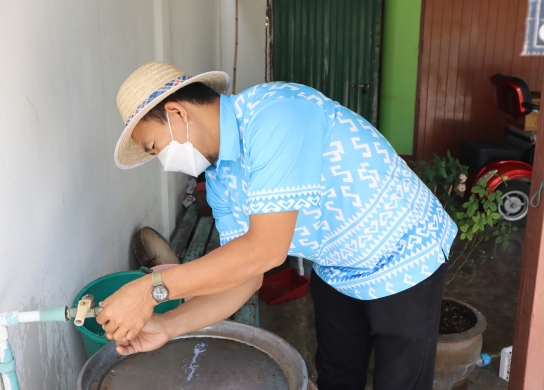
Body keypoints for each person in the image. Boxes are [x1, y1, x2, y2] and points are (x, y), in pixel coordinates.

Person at [96, 62, 458, 390]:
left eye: (154, 146)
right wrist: (167, 325)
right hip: (338, 265)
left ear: (177, 113)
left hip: (403, 253)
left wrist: (151, 290)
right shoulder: (220, 177)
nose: (163, 161)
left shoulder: (276, 113)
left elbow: (266, 250)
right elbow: (246, 276)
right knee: (337, 376)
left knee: (400, 381)